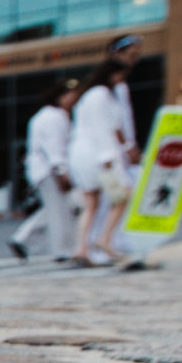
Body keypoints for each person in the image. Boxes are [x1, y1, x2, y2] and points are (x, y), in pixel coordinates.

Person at [69, 62, 133, 266]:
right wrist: (107, 157)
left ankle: (82, 249)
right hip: (98, 154)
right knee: (123, 195)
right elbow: (103, 128)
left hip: (84, 153)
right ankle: (104, 240)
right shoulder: (101, 95)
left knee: (91, 203)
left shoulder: (89, 96)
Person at [10, 80, 81, 262]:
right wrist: (61, 171)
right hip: (50, 170)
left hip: (44, 169)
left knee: (58, 208)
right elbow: (54, 147)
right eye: (70, 95)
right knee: (60, 211)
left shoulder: (46, 115)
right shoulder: (54, 117)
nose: (74, 100)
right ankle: (62, 251)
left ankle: (22, 239)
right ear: (60, 96)